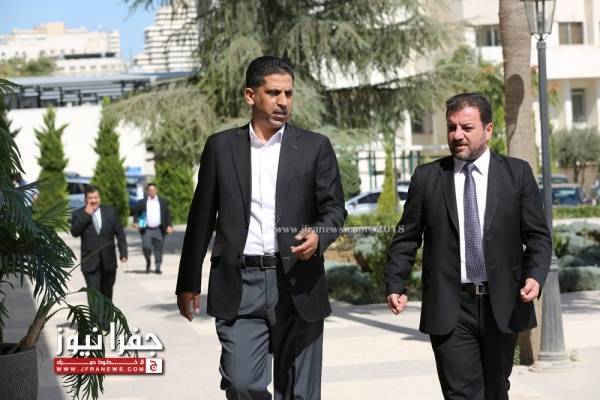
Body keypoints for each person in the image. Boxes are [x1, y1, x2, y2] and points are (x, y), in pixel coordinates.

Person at [176, 56, 346, 399]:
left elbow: (334, 209)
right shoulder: (221, 147)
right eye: (273, 93)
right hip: (240, 284)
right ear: (250, 96)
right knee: (242, 384)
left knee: (300, 393)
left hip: (299, 282)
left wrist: (319, 235)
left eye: (289, 93)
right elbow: (201, 218)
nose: (283, 101)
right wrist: (188, 282)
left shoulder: (315, 147)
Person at [384, 93, 551, 399]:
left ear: (488, 129)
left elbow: (538, 236)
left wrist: (534, 276)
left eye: (467, 127)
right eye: (452, 127)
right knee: (460, 393)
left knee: (495, 390)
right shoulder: (428, 177)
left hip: (502, 304)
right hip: (450, 305)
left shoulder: (516, 174)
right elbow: (406, 237)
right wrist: (396, 282)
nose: (457, 135)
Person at [70, 186, 127, 310]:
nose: (93, 200)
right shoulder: (78, 214)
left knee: (107, 295)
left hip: (109, 262)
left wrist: (123, 253)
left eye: (95, 197)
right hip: (90, 263)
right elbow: (75, 232)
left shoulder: (111, 212)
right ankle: (96, 320)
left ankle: (106, 319)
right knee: (94, 295)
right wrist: (87, 214)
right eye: (90, 198)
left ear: (99, 198)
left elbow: (120, 234)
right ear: (85, 199)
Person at [133, 183, 173, 274]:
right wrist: (135, 222)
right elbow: (136, 212)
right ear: (147, 191)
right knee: (146, 246)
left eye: (153, 190)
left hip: (159, 229)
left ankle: (158, 267)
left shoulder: (163, 201)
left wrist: (169, 225)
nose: (152, 192)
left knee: (159, 248)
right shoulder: (142, 202)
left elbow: (168, 214)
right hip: (146, 229)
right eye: (150, 190)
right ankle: (148, 261)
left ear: (156, 190)